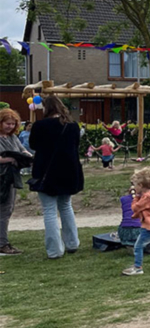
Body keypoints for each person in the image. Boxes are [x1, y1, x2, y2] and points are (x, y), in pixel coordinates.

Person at [29, 96, 84, 259]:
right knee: (66, 206)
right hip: (69, 171)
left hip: (46, 171)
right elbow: (76, 145)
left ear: (46, 108)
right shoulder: (73, 126)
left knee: (49, 210)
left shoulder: (40, 125)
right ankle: (72, 243)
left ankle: (55, 250)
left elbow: (33, 145)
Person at [0, 108, 30, 256]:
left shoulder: (12, 138)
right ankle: (2, 243)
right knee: (4, 210)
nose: (10, 126)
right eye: (7, 123)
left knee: (7, 208)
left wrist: (26, 156)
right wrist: (10, 159)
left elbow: (23, 150)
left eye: (13, 124)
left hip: (10, 178)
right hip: (1, 177)